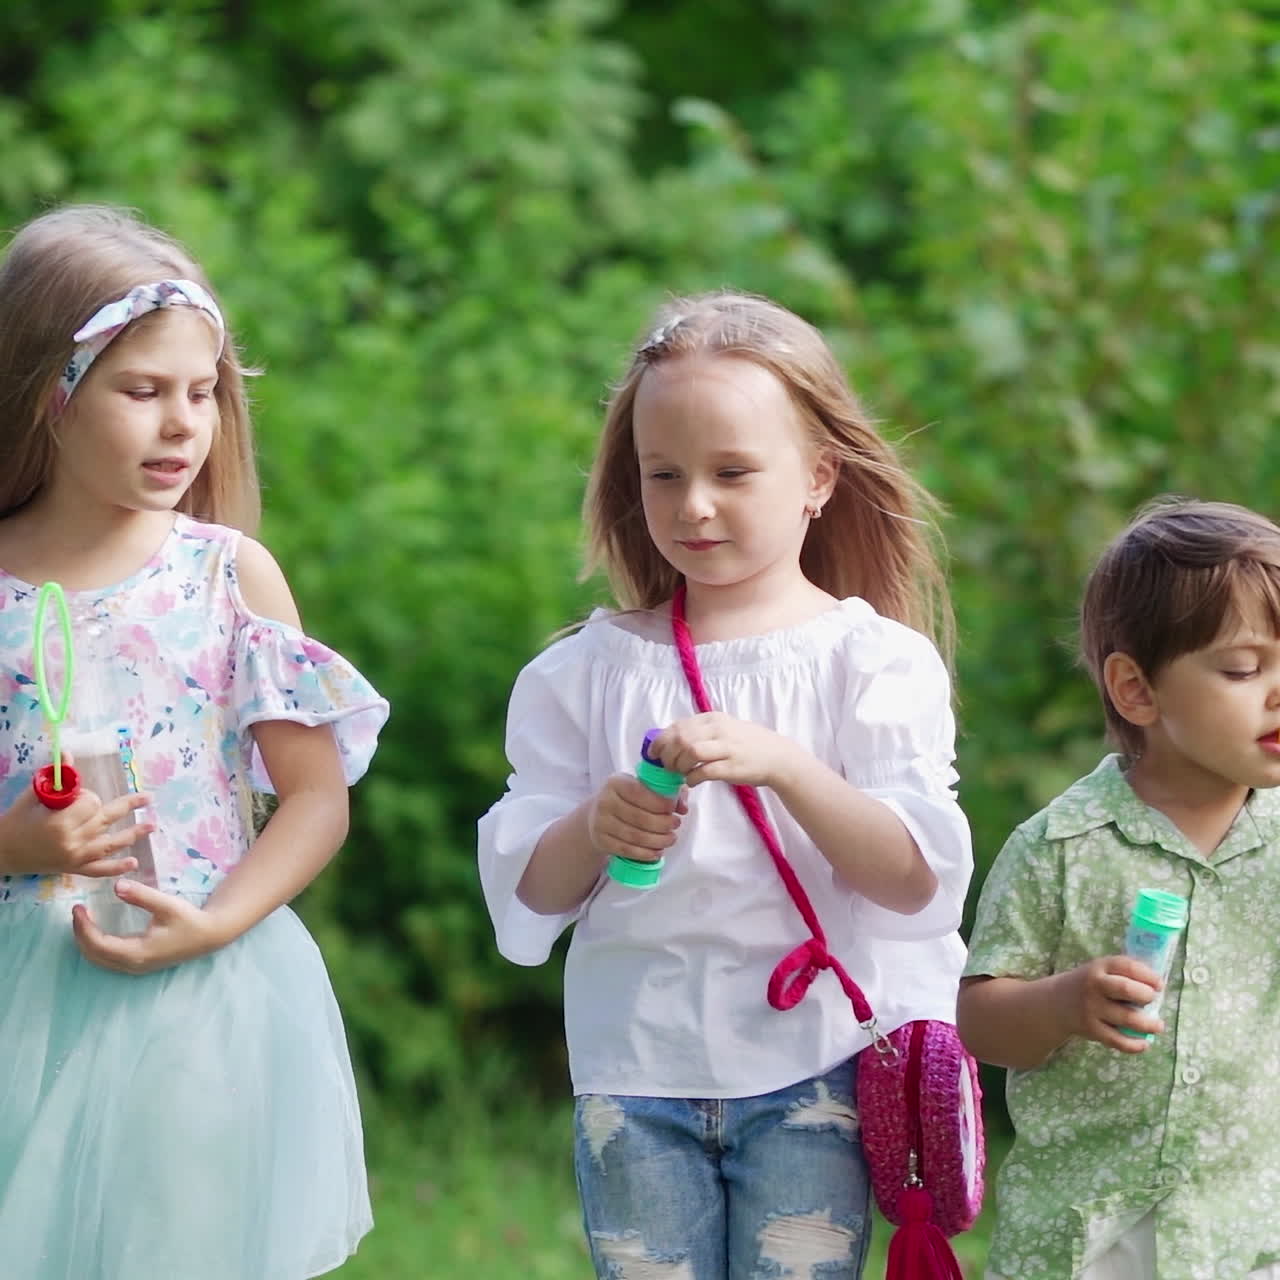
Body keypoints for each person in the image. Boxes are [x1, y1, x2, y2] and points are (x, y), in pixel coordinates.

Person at [478, 290, 973, 1278]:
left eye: (731, 472)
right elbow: (529, 890)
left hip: (813, 1066)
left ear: (818, 477)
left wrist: (786, 764)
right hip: (633, 1068)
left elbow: (914, 878)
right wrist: (597, 823)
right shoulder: (582, 670)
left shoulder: (871, 663)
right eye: (663, 474)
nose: (692, 504)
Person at [0, 204, 389, 1279]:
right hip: (15, 997)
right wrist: (16, 845)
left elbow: (315, 798)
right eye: (142, 390)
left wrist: (213, 922)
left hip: (192, 989)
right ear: (52, 396)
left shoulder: (225, 575)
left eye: (201, 391)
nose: (182, 423)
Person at [958, 497, 1280, 1280]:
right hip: (1086, 1238)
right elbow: (979, 1020)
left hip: (1247, 1229)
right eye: (1244, 668)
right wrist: (1062, 1004)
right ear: (1137, 690)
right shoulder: (1059, 848)